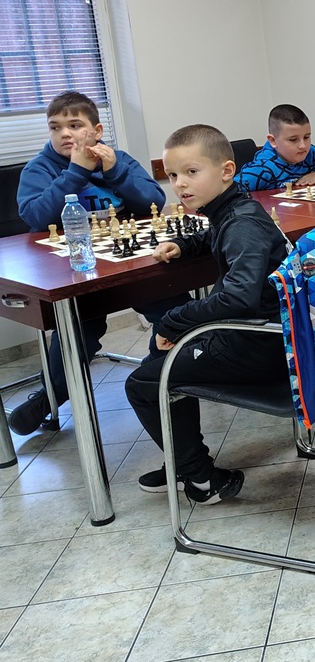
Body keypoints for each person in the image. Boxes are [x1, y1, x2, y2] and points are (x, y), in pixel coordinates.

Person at [124, 124, 290, 503]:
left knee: (142, 384)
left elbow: (238, 299)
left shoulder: (241, 223)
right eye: (172, 175)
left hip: (259, 346)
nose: (180, 184)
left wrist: (173, 321)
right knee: (157, 362)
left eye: (191, 172)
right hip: (262, 337)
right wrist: (186, 245)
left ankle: (200, 478)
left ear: (226, 171)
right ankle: (186, 462)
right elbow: (220, 235)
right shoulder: (235, 210)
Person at [9, 91, 170, 436]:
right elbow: (36, 216)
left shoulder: (118, 160)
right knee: (77, 333)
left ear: (97, 131)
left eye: (74, 125)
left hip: (129, 265)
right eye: (55, 127)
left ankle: (154, 374)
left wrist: (115, 173)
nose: (64, 133)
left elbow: (154, 201)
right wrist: (75, 172)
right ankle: (51, 396)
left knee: (175, 311)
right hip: (75, 272)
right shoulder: (39, 168)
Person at [232, 104, 315, 192]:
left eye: (306, 137)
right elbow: (230, 191)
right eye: (293, 140)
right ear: (273, 141)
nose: (303, 145)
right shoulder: (263, 169)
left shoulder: (312, 153)